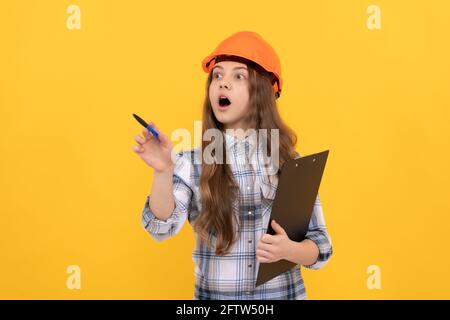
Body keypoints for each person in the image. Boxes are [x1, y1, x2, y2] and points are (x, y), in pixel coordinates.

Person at [132, 31, 332, 299]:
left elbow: (321, 244)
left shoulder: (290, 163)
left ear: (263, 92)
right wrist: (163, 171)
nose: (223, 83)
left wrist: (290, 250)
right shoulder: (192, 162)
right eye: (217, 76)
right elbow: (161, 227)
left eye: (238, 76)